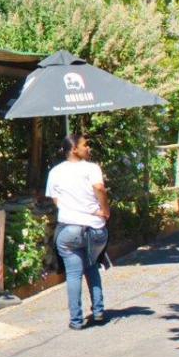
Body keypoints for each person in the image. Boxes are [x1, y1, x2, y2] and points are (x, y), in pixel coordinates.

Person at [46, 133, 109, 330]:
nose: (88, 148)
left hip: (69, 230)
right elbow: (99, 188)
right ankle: (98, 311)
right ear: (74, 149)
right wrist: (104, 210)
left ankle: (76, 319)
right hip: (94, 228)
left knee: (73, 275)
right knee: (92, 265)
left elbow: (56, 200)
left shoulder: (55, 172)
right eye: (84, 145)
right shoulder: (92, 168)